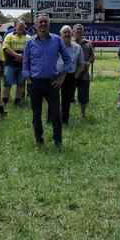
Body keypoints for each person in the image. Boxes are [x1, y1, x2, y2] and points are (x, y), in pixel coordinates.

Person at [23, 14, 70, 147]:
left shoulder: (57, 40)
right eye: (40, 22)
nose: (43, 24)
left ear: (49, 24)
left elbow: (67, 59)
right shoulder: (30, 42)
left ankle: (57, 141)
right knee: (36, 115)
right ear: (36, 25)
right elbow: (25, 62)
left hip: (52, 82)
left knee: (55, 114)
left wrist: (62, 76)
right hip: (35, 83)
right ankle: (39, 140)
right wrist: (28, 77)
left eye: (45, 22)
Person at [57, 25, 84, 125]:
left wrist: (75, 75)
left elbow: (81, 64)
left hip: (70, 76)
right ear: (61, 34)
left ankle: (64, 121)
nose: (67, 34)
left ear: (71, 33)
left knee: (66, 100)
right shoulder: (55, 45)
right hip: (56, 75)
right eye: (65, 32)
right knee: (53, 98)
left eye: (69, 32)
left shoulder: (77, 47)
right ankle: (50, 119)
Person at [1, 20, 28, 107]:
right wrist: (17, 55)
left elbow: (31, 50)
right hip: (10, 64)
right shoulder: (8, 36)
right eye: (19, 26)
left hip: (23, 65)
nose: (21, 27)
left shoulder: (29, 37)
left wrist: (22, 57)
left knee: (20, 83)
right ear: (15, 27)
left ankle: (17, 102)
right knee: (7, 83)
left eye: (23, 26)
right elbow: (6, 48)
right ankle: (4, 102)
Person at [72, 23, 94, 117]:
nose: (79, 30)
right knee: (68, 94)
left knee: (83, 95)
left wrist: (88, 64)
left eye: (81, 29)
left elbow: (92, 56)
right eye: (77, 29)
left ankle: (82, 113)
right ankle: (65, 112)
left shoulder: (88, 43)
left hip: (84, 74)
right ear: (73, 31)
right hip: (72, 73)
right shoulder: (70, 42)